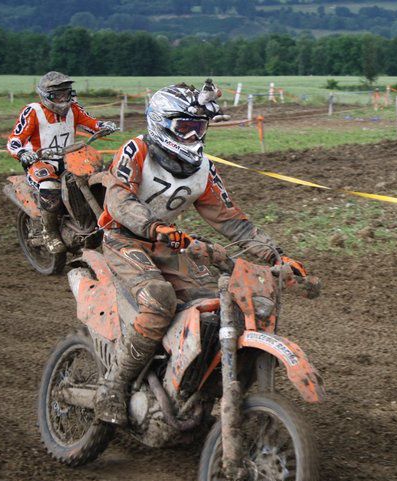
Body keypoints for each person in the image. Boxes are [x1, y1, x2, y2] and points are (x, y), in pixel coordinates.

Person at [93, 81, 306, 426]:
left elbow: (233, 220)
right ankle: (113, 386)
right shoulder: (137, 150)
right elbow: (118, 199)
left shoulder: (203, 168)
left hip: (169, 243)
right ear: (162, 123)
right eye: (185, 128)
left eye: (199, 128)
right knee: (159, 299)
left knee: (218, 303)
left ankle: (188, 382)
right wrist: (154, 227)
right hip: (123, 239)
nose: (193, 137)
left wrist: (277, 257)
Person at [7, 71, 117, 253]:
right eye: (57, 95)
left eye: (66, 93)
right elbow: (15, 140)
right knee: (50, 189)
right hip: (40, 161)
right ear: (46, 95)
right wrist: (21, 153)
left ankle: (92, 220)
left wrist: (104, 126)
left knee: (95, 176)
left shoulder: (74, 108)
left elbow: (91, 123)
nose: (63, 98)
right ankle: (49, 233)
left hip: (70, 159)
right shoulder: (33, 111)